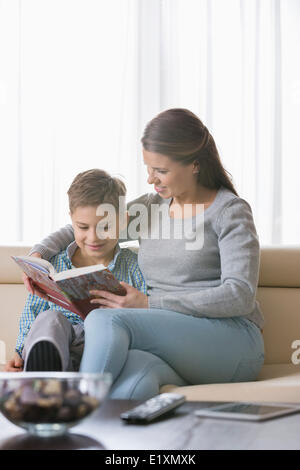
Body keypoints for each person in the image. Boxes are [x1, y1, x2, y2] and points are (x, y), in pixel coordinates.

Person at [23, 108, 265, 400]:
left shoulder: (230, 211)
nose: (151, 179)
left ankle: (69, 409)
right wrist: (40, 254)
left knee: (104, 319)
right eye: (148, 168)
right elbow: (93, 224)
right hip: (172, 342)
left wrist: (150, 303)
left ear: (195, 165)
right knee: (132, 382)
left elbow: (240, 295)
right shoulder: (151, 208)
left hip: (230, 343)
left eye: (161, 170)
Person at [5, 169, 146, 373]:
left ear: (123, 221)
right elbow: (32, 312)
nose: (93, 237)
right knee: (49, 319)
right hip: (59, 347)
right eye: (83, 227)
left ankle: (57, 382)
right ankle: (43, 368)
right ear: (71, 220)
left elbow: (152, 321)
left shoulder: (135, 267)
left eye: (105, 227)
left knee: (107, 329)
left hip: (106, 349)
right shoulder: (54, 264)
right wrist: (19, 352)